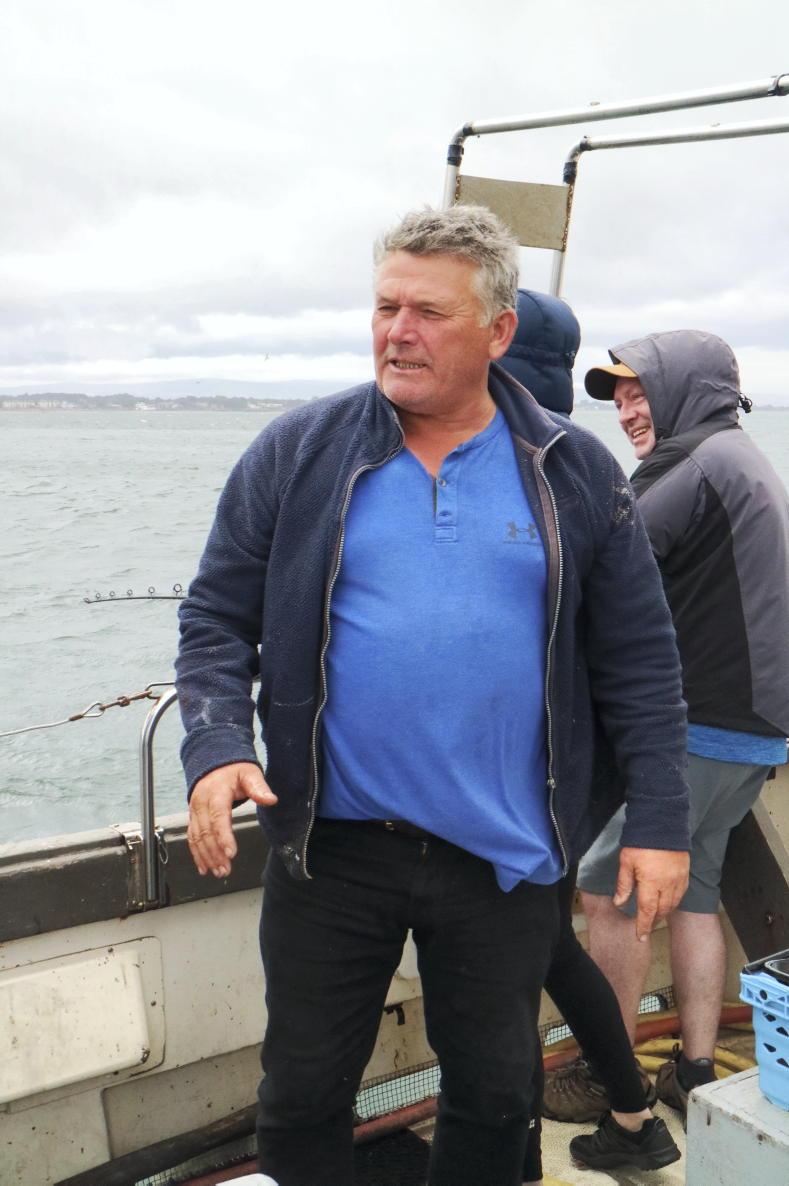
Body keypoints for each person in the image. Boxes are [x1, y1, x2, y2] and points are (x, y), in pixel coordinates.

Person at [175, 206, 691, 1186]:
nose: (397, 332)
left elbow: (641, 662)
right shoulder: (298, 451)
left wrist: (661, 820)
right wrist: (216, 745)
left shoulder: (574, 471)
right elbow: (214, 617)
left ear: (498, 331)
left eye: (428, 313)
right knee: (300, 1095)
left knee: (496, 1097)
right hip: (332, 844)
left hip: (502, 852)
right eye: (385, 307)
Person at [577, 330, 789, 1120]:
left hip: (698, 724)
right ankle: (694, 1071)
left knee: (610, 892)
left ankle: (610, 1085)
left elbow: (601, 566)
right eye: (620, 399)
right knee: (696, 893)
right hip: (755, 731)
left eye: (641, 393)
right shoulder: (739, 456)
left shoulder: (691, 465)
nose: (628, 412)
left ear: (685, 391)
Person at [500, 294, 681, 1174]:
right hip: (575, 780)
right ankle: (636, 1115)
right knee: (551, 951)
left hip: (529, 782)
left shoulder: (542, 473)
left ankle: (546, 1143)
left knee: (511, 970)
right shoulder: (587, 469)